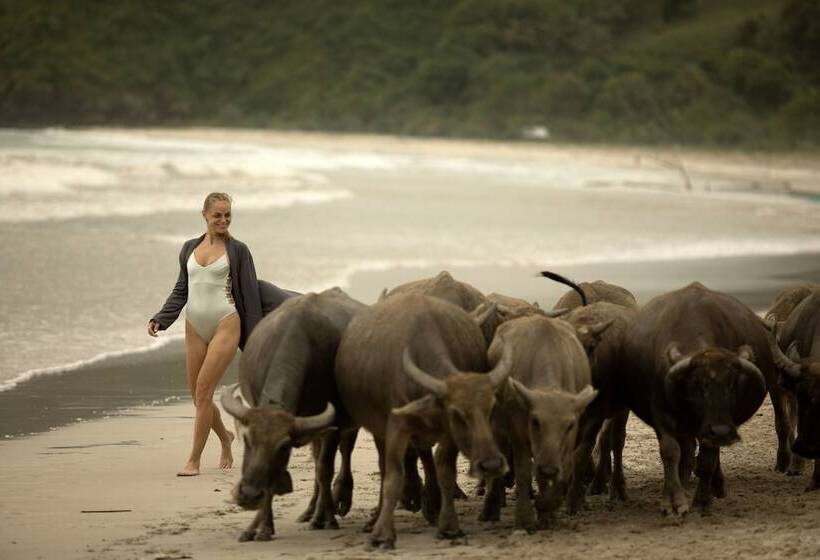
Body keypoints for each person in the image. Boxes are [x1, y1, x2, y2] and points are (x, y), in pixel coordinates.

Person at [148, 192, 265, 476]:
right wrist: (161, 318)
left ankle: (194, 460)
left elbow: (249, 297)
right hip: (194, 326)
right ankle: (225, 437)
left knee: (203, 390)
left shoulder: (238, 250)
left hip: (226, 322)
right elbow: (181, 289)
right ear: (205, 215)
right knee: (198, 395)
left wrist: (257, 341)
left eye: (227, 215)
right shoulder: (189, 247)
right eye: (218, 215)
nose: (223, 220)